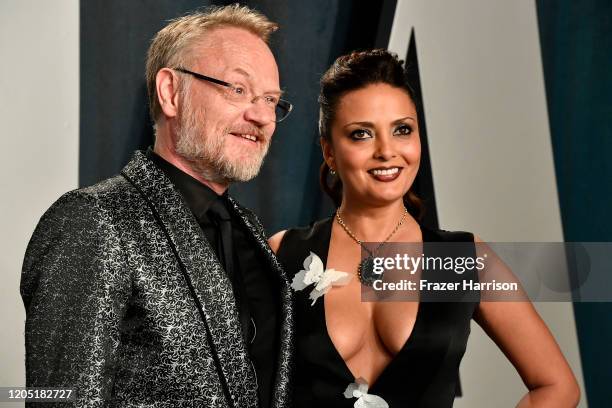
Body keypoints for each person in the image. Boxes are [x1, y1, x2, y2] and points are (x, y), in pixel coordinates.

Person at [269, 49, 580, 407]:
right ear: (329, 152)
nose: (387, 151)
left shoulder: (463, 259)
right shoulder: (284, 253)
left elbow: (557, 386)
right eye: (361, 134)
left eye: (402, 130)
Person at [21, 5, 294, 407]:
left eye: (271, 100)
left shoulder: (248, 229)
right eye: (238, 89)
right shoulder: (93, 220)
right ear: (170, 92)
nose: (260, 116)